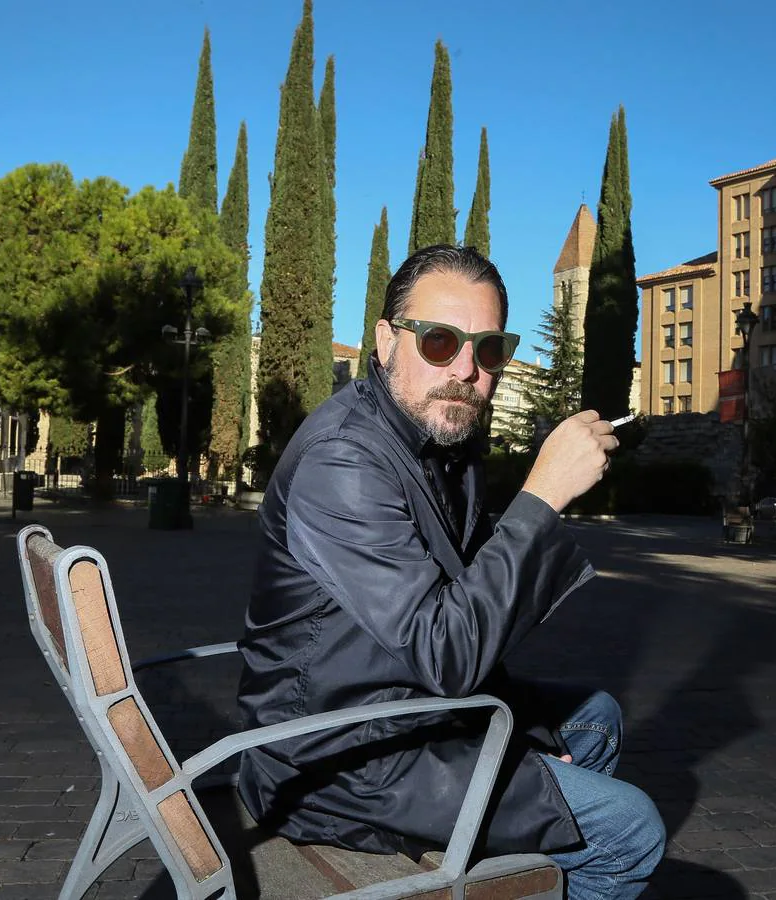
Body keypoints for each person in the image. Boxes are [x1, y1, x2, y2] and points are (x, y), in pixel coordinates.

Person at [237, 245, 665, 898]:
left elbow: (465, 610)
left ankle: (525, 870)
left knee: (591, 717)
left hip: (404, 710)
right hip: (333, 757)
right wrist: (542, 493)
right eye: (439, 341)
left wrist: (525, 734)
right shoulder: (343, 462)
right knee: (629, 828)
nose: (466, 369)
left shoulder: (443, 443)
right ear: (385, 342)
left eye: (488, 349)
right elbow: (445, 652)